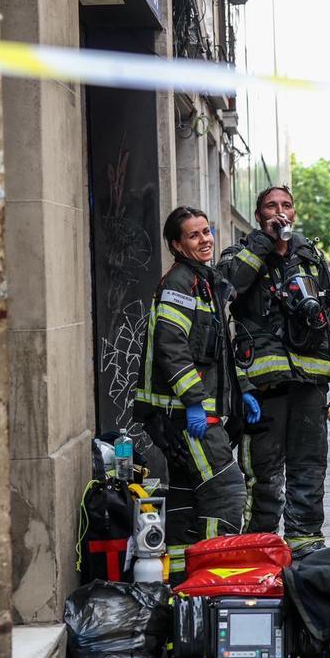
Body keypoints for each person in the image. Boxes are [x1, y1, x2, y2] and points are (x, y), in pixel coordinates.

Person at [217, 186, 330, 558]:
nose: (279, 211)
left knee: (310, 468)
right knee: (263, 474)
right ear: (258, 214)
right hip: (265, 389)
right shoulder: (242, 254)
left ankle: (305, 545)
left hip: (309, 385)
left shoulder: (310, 258)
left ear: (294, 213)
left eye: (285, 205)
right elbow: (227, 288)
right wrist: (264, 244)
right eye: (271, 206)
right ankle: (260, 547)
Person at [132, 206, 259, 580]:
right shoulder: (180, 284)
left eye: (207, 232)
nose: (204, 240)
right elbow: (173, 348)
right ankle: (213, 576)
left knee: (188, 496)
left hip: (192, 412)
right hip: (184, 413)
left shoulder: (205, 281)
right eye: (194, 235)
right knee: (225, 490)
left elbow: (218, 351)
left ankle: (178, 581)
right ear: (177, 244)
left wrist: (244, 389)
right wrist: (193, 405)